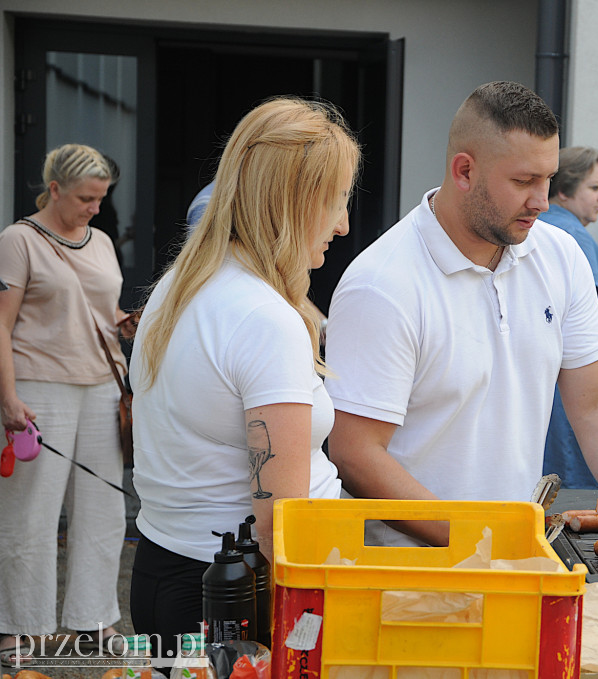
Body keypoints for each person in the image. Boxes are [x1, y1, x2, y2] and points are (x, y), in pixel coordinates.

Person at [325, 81, 598, 588]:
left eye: (549, 179)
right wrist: (476, 540)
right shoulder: (383, 283)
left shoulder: (559, 256)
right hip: (411, 573)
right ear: (464, 171)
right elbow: (355, 452)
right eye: (524, 180)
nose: (542, 201)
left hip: (512, 561)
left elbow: (596, 405)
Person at [128, 97, 359, 647]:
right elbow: (280, 522)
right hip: (238, 597)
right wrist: (303, 633)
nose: (345, 224)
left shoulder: (180, 284)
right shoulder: (263, 317)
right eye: (336, 201)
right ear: (293, 201)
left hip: (168, 571)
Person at [0, 144, 130, 666]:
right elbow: (2, 326)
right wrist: (7, 396)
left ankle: (94, 620)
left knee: (104, 512)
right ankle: (17, 628)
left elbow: (103, 309)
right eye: (85, 197)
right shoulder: (17, 240)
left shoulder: (99, 240)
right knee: (30, 515)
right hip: (39, 387)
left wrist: (126, 321)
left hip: (101, 384)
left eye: (101, 198)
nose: (95, 208)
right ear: (54, 189)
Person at [541, 146, 598, 489]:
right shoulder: (571, 239)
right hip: (573, 381)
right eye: (594, 188)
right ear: (565, 190)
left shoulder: (537, 229)